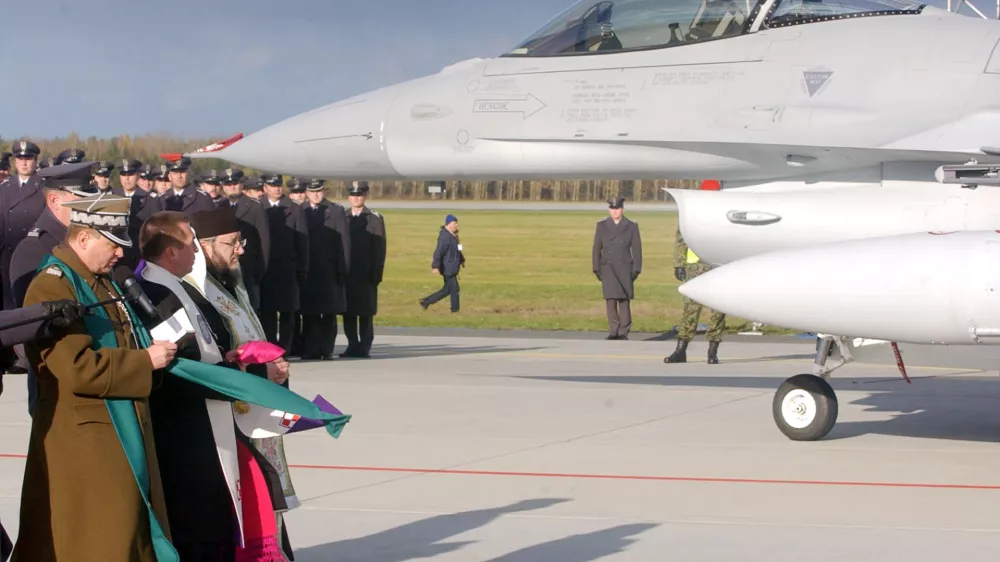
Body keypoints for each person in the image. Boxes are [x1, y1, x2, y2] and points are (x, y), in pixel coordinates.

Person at [11, 191, 179, 562]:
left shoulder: (100, 280)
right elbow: (76, 368)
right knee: (98, 542)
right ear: (84, 238)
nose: (120, 253)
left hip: (117, 431)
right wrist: (144, 362)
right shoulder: (53, 285)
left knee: (127, 539)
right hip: (85, 443)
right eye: (112, 244)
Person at [135, 209, 292, 561]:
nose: (196, 251)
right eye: (191, 244)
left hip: (207, 425)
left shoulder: (175, 287)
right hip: (187, 436)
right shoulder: (157, 294)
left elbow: (203, 352)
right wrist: (254, 377)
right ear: (171, 251)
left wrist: (229, 357)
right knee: (199, 532)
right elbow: (185, 372)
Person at [183, 207, 302, 560]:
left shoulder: (231, 282)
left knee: (266, 501)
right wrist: (265, 374)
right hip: (231, 419)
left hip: (256, 411)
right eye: (232, 242)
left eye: (241, 241)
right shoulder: (197, 291)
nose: (240, 249)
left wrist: (274, 368)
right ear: (205, 245)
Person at [9, 161, 100, 416]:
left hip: (94, 367)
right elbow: (34, 324)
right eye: (81, 200)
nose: (90, 206)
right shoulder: (34, 250)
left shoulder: (85, 240)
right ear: (55, 201)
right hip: (58, 379)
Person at [259, 173, 308, 355]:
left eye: (279, 184)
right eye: (273, 185)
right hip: (267, 269)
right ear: (265, 188)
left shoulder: (294, 208)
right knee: (268, 313)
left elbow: (302, 242)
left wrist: (303, 268)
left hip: (288, 268)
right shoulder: (259, 207)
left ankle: (285, 348)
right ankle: (272, 348)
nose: (277, 188)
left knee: (288, 311)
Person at [301, 179, 350, 360]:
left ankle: (327, 348)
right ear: (307, 193)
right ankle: (311, 348)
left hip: (329, 269)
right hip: (309, 268)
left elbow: (344, 241)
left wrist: (343, 268)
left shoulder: (336, 210)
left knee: (329, 313)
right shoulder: (301, 210)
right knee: (310, 313)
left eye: (319, 191)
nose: (315, 195)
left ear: (324, 192)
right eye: (312, 191)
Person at [664, 223, 725, 364]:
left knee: (718, 310)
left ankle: (712, 351)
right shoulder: (693, 214)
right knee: (690, 309)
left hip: (717, 266)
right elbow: (681, 236)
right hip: (694, 268)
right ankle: (681, 350)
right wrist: (679, 263)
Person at [342, 181, 386, 358]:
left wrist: (377, 273)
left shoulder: (374, 218)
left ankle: (364, 346)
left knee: (365, 312)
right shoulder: (343, 217)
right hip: (348, 272)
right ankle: (352, 344)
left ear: (365, 196)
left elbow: (379, 249)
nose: (356, 198)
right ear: (348, 197)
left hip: (365, 273)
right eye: (353, 195)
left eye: (359, 195)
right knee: (348, 312)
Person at [1, 141, 46, 312]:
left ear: (35, 161)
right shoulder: (5, 188)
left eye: (28, 158)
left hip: (32, 256)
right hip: (7, 257)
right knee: (8, 304)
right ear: (15, 161)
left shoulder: (44, 188)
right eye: (20, 159)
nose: (24, 163)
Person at [592, 197, 643, 340]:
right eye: (613, 209)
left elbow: (637, 249)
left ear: (622, 210)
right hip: (607, 267)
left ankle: (623, 331)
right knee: (610, 299)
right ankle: (613, 330)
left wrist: (637, 268)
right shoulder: (602, 225)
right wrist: (596, 267)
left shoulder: (631, 226)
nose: (615, 212)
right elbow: (597, 248)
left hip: (625, 267)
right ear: (609, 210)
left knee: (624, 300)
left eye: (618, 209)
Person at [219, 168, 270, 309]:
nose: (232, 187)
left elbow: (264, 242)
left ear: (242, 184)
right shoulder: (219, 206)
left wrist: (259, 271)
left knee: (250, 310)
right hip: (226, 270)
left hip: (248, 268)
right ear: (223, 187)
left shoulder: (255, 207)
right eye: (228, 184)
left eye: (235, 183)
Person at [419, 213, 464, 313]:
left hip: (453, 267)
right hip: (447, 268)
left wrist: (462, 260)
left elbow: (458, 250)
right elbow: (438, 252)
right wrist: (435, 266)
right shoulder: (444, 237)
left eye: (456, 223)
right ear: (448, 224)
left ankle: (425, 301)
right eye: (454, 223)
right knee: (455, 289)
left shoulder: (455, 236)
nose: (456, 225)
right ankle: (455, 310)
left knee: (447, 290)